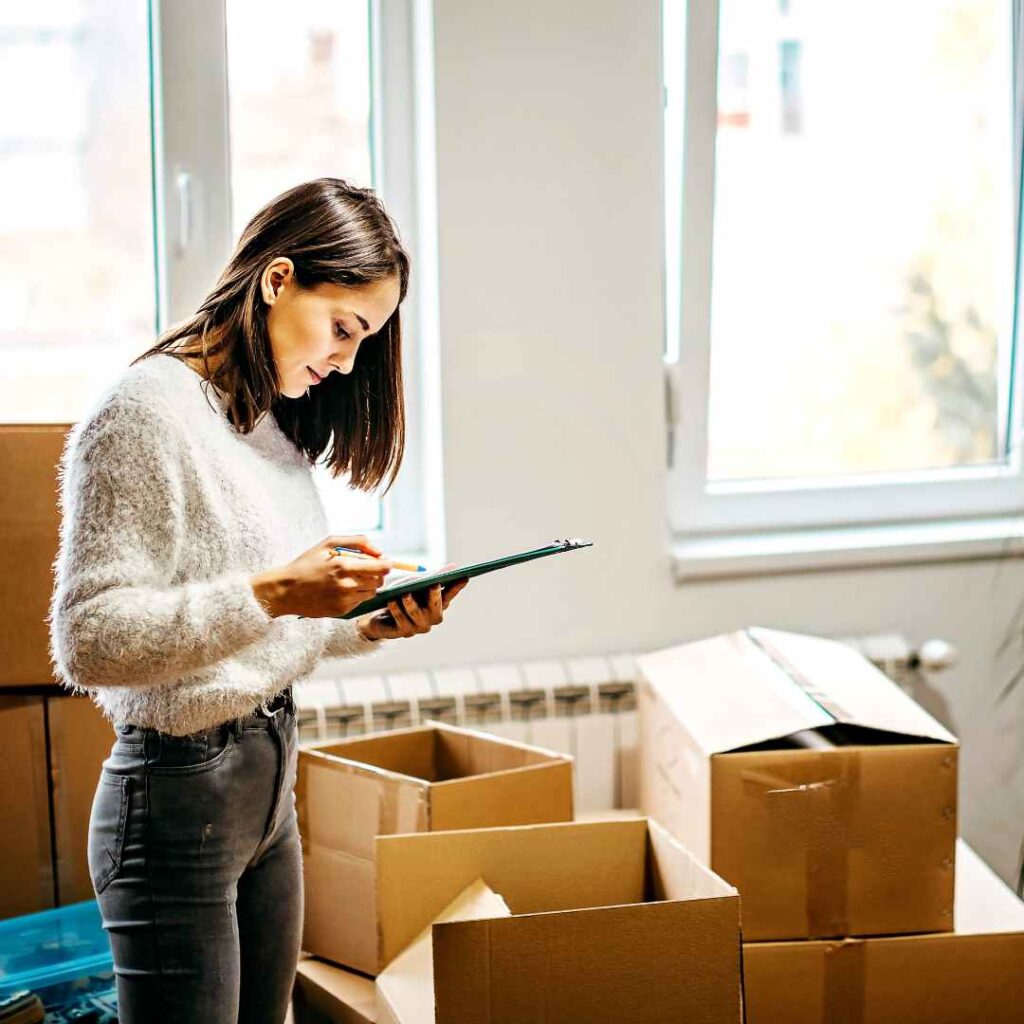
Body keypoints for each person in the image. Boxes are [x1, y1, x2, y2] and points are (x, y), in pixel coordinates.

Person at [48, 178, 466, 1024]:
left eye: (367, 340)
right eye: (344, 328)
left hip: (268, 783)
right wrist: (277, 590)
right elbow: (87, 640)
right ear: (278, 281)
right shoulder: (143, 413)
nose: (348, 362)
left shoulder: (263, 424)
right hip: (177, 799)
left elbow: (263, 626)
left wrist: (365, 620)